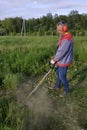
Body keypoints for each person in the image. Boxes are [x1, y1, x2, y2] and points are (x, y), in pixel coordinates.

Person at [50, 20, 73, 97]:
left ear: (65, 28)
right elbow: (59, 49)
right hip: (61, 60)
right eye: (57, 29)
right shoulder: (64, 37)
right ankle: (57, 86)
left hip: (64, 61)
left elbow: (62, 52)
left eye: (59, 30)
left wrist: (55, 60)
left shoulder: (66, 39)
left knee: (62, 76)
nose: (58, 31)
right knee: (58, 73)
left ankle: (67, 90)